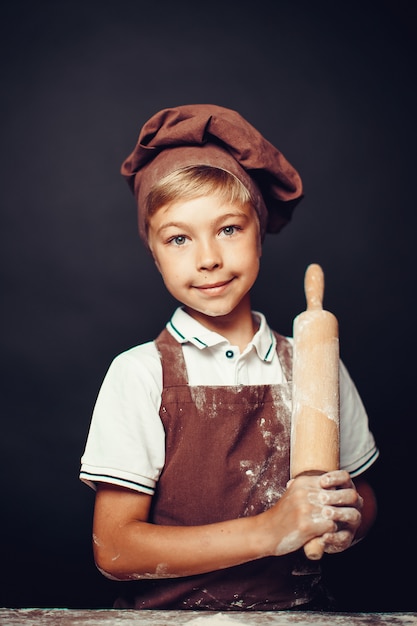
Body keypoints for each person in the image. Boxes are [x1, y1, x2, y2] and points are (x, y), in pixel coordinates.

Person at [80, 104, 379, 611]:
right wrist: (271, 531)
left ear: (259, 232)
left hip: (300, 619)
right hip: (169, 622)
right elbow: (114, 549)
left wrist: (349, 520)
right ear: (154, 253)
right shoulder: (140, 374)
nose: (208, 258)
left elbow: (362, 495)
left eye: (228, 229)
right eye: (178, 238)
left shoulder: (314, 365)